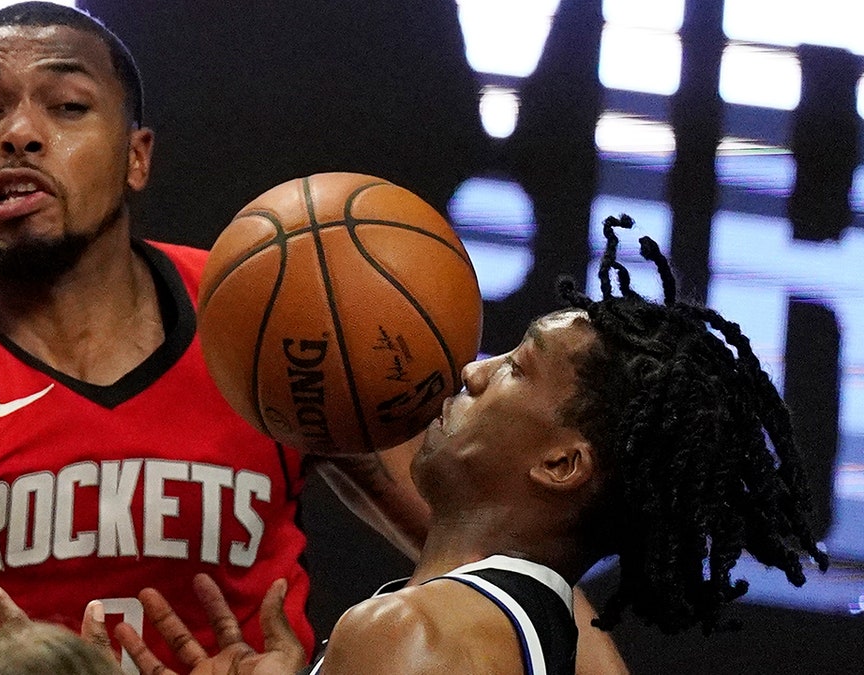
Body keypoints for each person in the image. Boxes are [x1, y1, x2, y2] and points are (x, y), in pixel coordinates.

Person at [0, 4, 442, 674]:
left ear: (137, 156)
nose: (19, 134)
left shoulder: (258, 316)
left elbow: (474, 540)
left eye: (67, 107)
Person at [42, 217, 824, 674]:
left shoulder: (416, 632)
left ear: (560, 463)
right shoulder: (549, 638)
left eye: (516, 367)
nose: (471, 371)